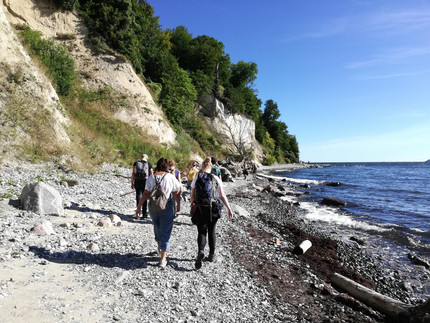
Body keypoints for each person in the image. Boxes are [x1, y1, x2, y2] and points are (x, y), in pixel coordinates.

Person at [135, 158, 181, 268]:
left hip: (153, 207)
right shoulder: (170, 177)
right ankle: (163, 259)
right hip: (167, 206)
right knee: (166, 231)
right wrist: (178, 204)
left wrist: (138, 207)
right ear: (166, 167)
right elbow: (177, 191)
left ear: (157, 166)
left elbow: (145, 193)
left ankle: (160, 248)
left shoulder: (151, 177)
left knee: (157, 227)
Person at [190, 157, 233, 270]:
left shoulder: (197, 177)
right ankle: (211, 255)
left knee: (201, 231)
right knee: (212, 230)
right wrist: (229, 208)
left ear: (202, 167)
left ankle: (200, 250)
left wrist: (192, 206)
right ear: (211, 167)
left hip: (200, 207)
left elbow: (192, 194)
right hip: (213, 208)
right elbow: (222, 195)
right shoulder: (215, 178)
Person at [131, 154, 153, 218]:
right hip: (145, 181)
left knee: (138, 195)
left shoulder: (136, 163)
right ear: (147, 158)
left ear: (141, 157)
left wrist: (132, 182)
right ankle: (144, 213)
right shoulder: (149, 164)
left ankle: (138, 212)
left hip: (137, 180)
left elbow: (133, 173)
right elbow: (151, 174)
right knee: (145, 195)